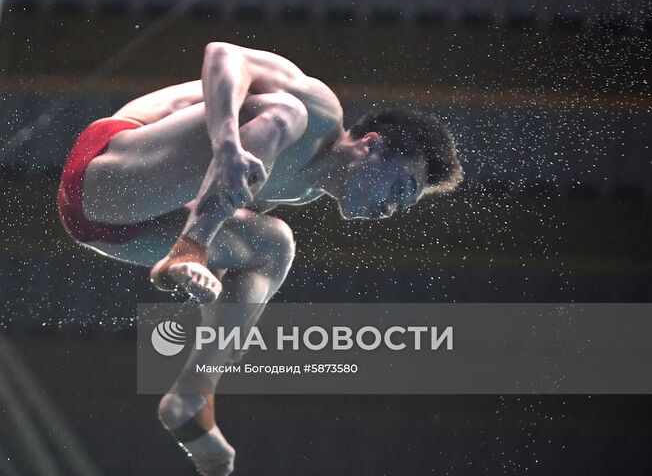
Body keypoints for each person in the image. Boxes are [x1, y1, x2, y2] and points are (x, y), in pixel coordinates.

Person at [57, 40, 463, 475]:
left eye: (400, 208)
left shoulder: (302, 192)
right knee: (286, 115)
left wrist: (217, 306)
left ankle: (193, 393)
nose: (388, 210)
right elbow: (221, 53)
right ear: (372, 146)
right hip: (107, 167)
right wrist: (227, 141)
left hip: (117, 229)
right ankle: (188, 248)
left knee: (276, 245)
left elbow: (227, 270)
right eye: (398, 190)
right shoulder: (319, 111)